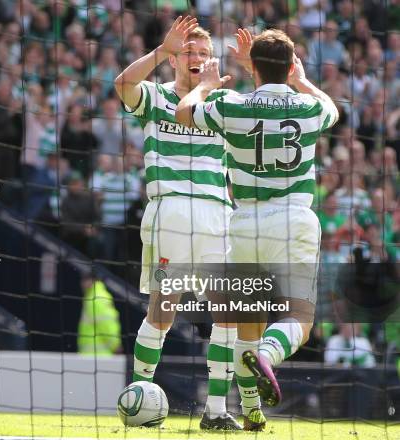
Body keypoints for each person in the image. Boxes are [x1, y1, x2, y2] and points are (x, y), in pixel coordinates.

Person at [176, 28, 339, 430]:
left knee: (248, 317)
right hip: (294, 218)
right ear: (290, 66)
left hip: (245, 222)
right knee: (298, 319)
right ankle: (268, 353)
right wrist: (300, 80)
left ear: (254, 69)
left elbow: (183, 111)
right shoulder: (307, 107)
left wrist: (209, 85)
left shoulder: (231, 105)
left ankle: (250, 408)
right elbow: (332, 107)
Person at [114, 16, 240, 431]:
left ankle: (217, 410)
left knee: (228, 314)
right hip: (169, 213)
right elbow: (122, 85)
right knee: (163, 312)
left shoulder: (222, 105)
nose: (197, 58)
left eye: (204, 53)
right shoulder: (156, 96)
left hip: (218, 215)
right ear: (174, 60)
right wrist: (161, 49)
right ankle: (138, 397)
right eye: (189, 51)